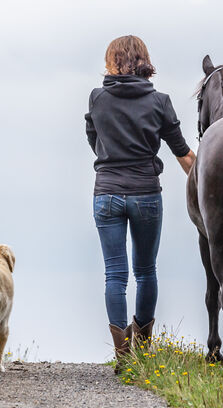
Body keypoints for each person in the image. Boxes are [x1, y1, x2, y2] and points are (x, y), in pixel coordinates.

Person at [84, 35, 196, 372]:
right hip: (146, 193)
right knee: (146, 272)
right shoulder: (160, 101)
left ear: (112, 61)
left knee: (115, 276)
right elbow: (183, 154)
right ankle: (143, 350)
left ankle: (123, 355)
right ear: (143, 61)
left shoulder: (97, 98)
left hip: (106, 194)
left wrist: (110, 161)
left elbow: (93, 139)